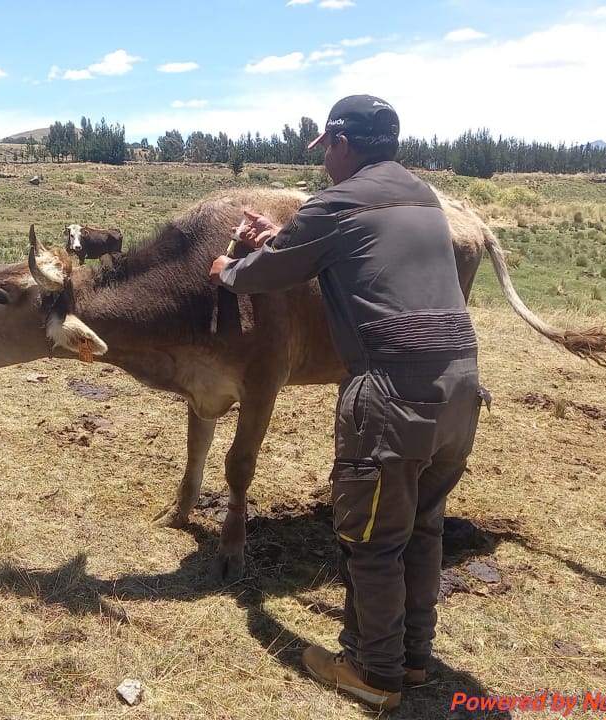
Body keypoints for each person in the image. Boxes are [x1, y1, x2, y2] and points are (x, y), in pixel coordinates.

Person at [210, 95, 482, 710]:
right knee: (422, 526)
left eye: (326, 148)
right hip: (461, 386)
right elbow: (354, 253)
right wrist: (282, 238)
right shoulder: (421, 198)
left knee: (371, 538)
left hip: (392, 392)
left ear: (341, 143)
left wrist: (231, 267)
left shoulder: (333, 201)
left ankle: (373, 672)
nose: (326, 159)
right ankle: (412, 658)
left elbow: (259, 276)